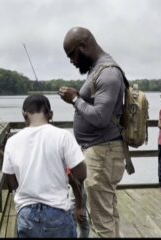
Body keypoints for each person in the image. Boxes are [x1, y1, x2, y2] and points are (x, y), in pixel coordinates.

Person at [58, 26, 127, 238]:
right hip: (100, 151)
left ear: (83, 46)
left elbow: (100, 117)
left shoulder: (108, 73)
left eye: (72, 55)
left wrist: (75, 99)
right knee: (108, 214)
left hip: (102, 154)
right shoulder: (96, 70)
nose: (72, 61)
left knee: (102, 222)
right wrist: (80, 96)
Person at [1, 94, 87, 238]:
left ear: (24, 115)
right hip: (57, 212)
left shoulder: (12, 141)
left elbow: (11, 183)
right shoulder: (63, 136)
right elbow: (82, 174)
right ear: (50, 114)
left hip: (26, 214)